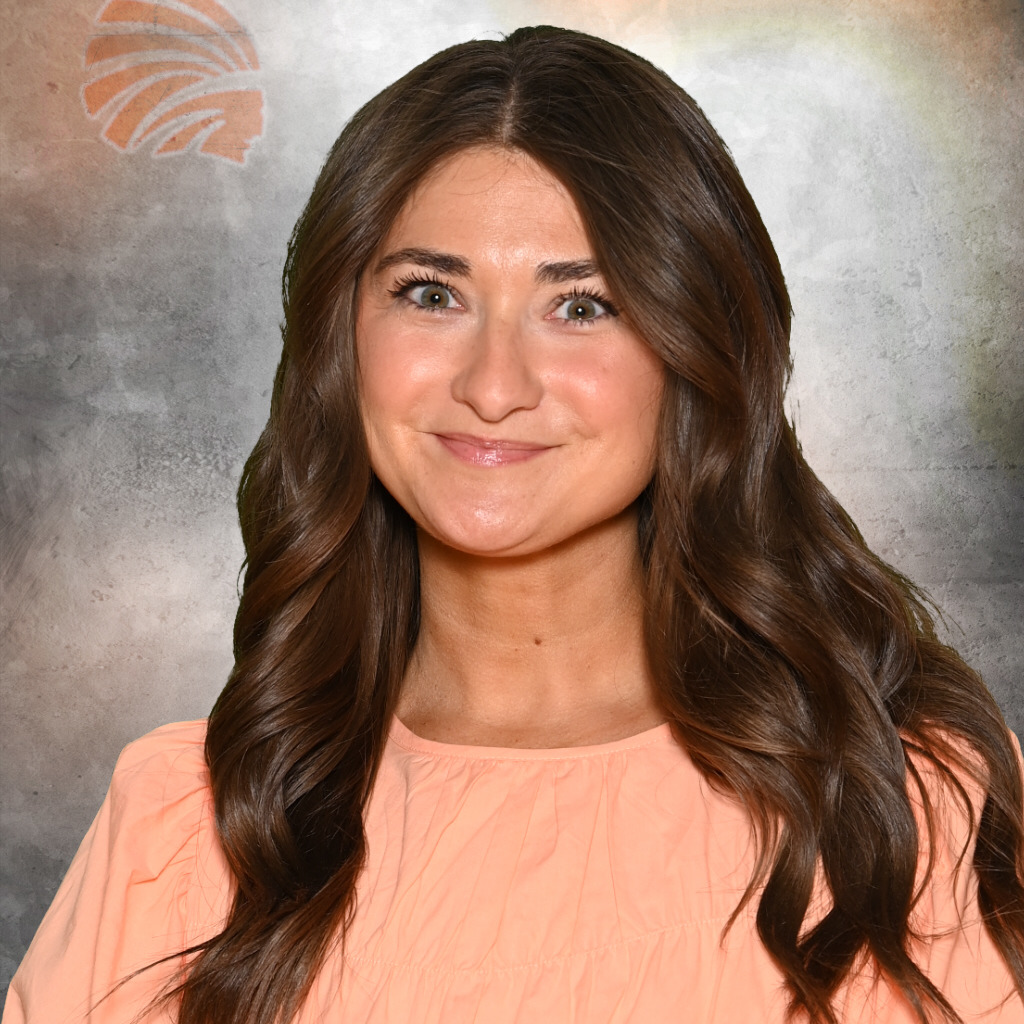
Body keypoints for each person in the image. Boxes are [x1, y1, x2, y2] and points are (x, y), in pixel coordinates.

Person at [5, 24, 1023, 1024]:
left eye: (581, 306)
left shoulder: (909, 815)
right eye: (431, 293)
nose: (494, 386)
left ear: (695, 348)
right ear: (338, 338)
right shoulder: (187, 828)